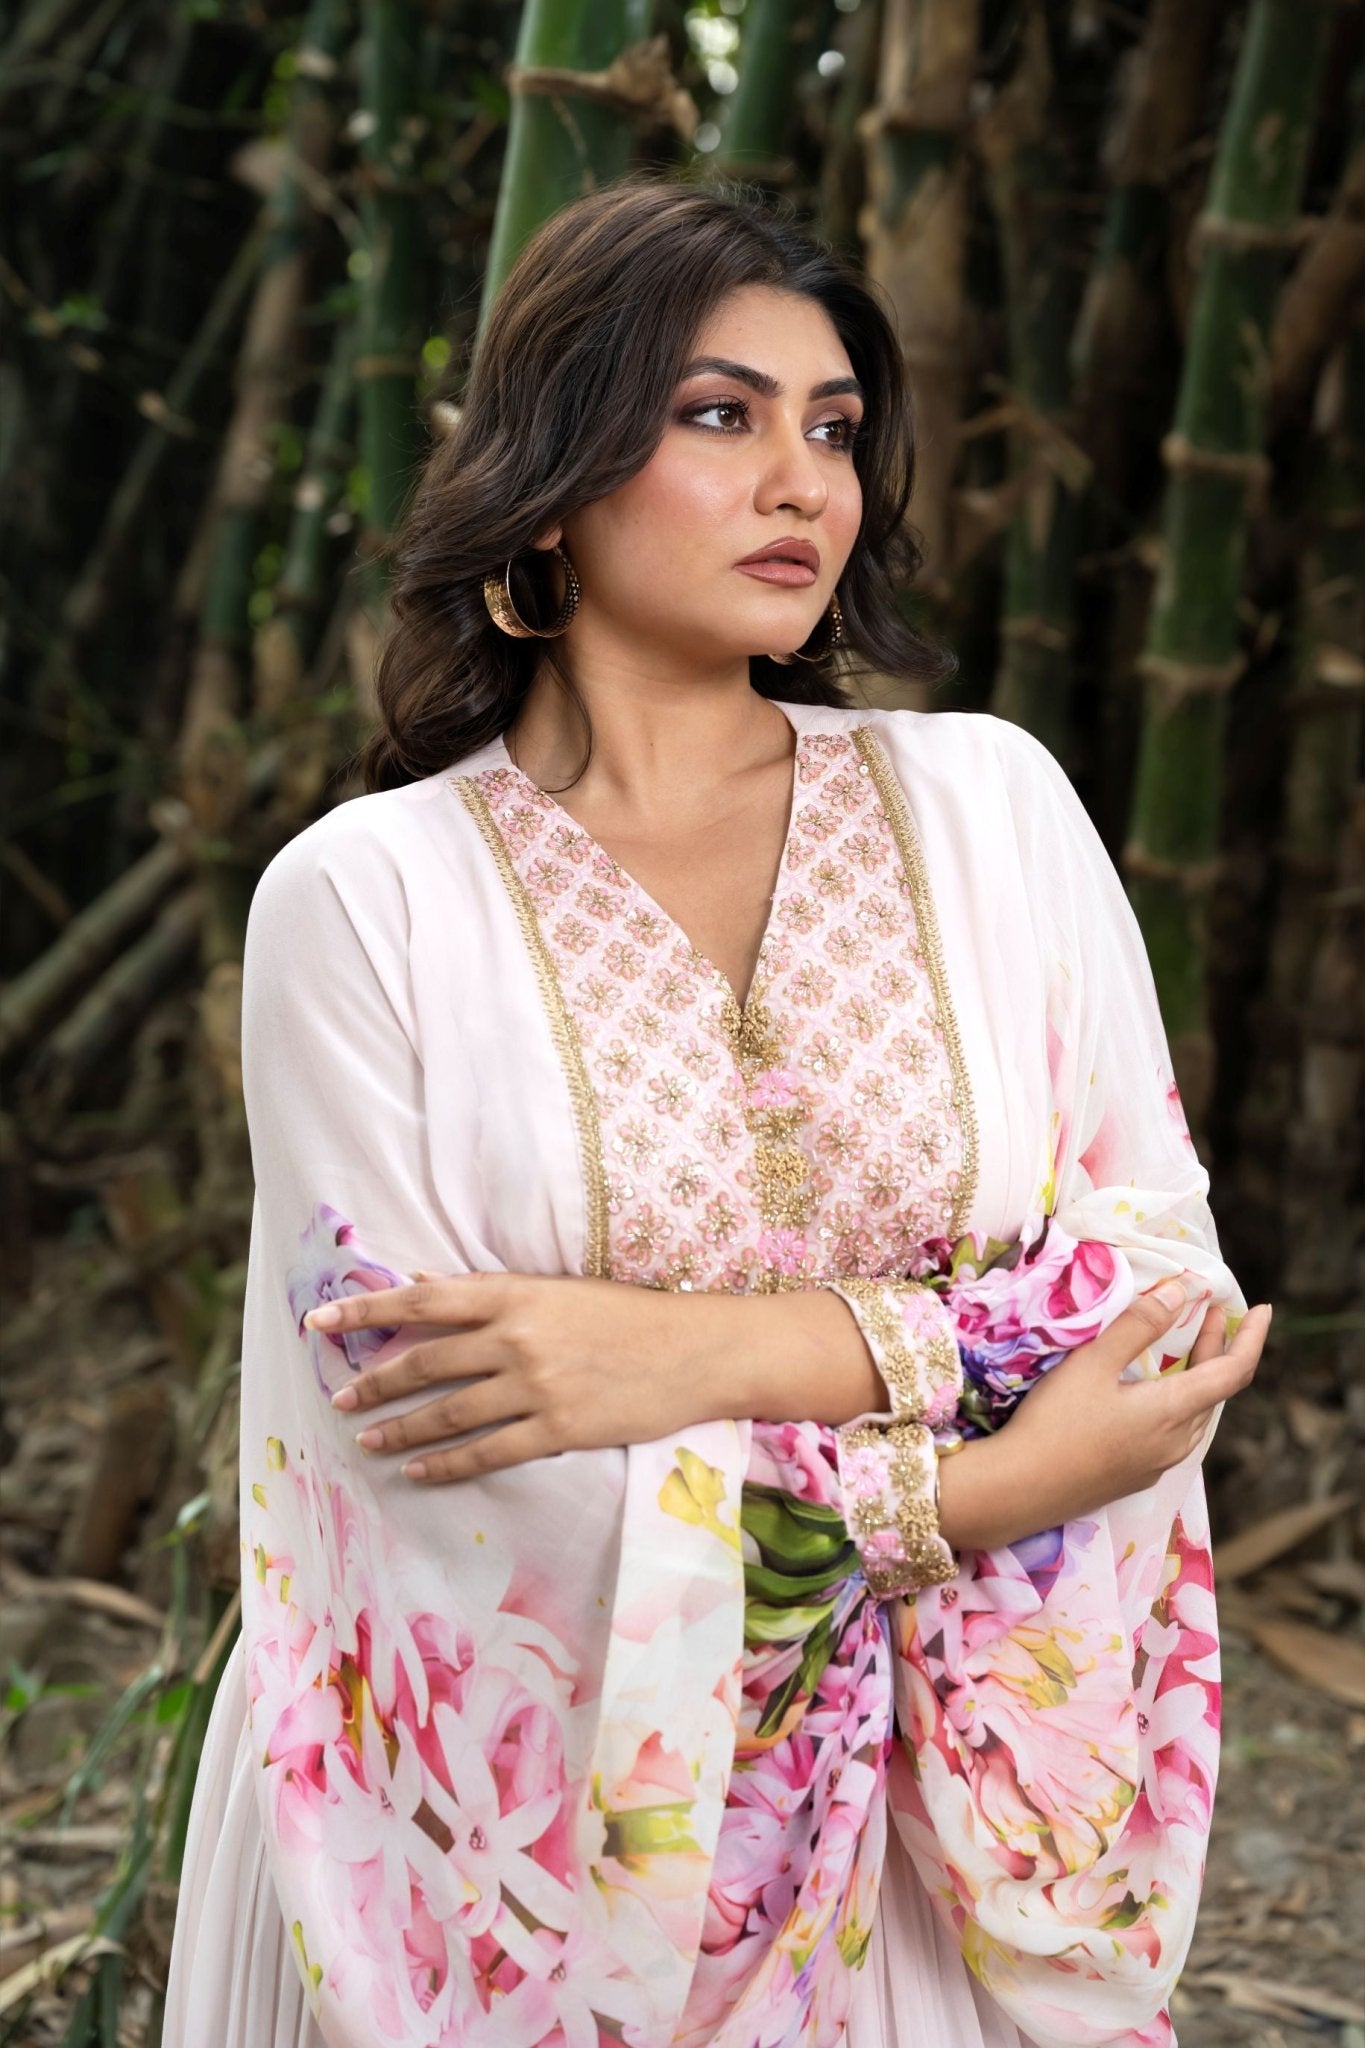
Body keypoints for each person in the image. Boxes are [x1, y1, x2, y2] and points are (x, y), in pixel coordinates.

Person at [162, 171, 1267, 2048]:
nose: (800, 484)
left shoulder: (990, 811)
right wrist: (975, 1488)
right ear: (552, 476)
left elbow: (1160, 1296)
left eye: (831, 428)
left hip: (942, 1847)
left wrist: (691, 1357)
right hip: (525, 1855)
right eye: (717, 416)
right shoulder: (366, 902)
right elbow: (430, 1457)